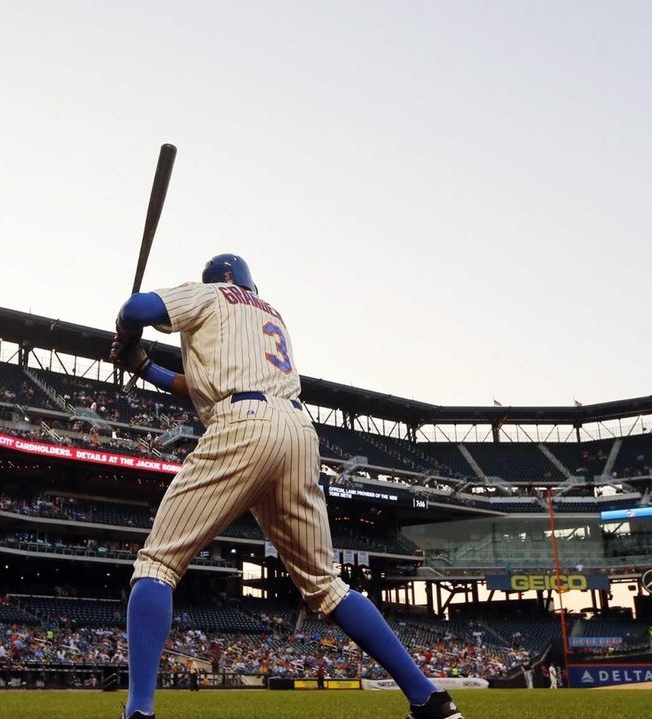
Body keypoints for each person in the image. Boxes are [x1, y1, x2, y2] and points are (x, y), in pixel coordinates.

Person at [109, 255, 462, 719]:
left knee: (157, 562)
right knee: (326, 585)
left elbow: (136, 308)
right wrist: (142, 365)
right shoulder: (267, 314)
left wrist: (127, 332)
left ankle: (138, 711)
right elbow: (201, 383)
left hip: (242, 423)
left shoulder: (210, 294)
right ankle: (428, 698)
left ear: (221, 279)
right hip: (297, 430)